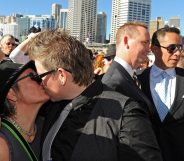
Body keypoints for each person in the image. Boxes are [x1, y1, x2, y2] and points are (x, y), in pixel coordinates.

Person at [27, 29, 162, 161]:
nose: (40, 83)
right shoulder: (53, 104)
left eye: (40, 76)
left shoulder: (127, 115)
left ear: (62, 75)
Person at [138, 26, 184, 161]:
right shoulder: (137, 80)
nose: (177, 53)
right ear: (154, 49)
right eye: (172, 48)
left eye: (180, 48)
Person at [102, 21, 156, 123]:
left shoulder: (129, 76)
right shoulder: (112, 83)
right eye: (145, 42)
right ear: (126, 42)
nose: (149, 49)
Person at [0, 59, 50, 161]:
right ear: (12, 94)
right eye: (33, 77)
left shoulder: (48, 124)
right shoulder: (2, 145)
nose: (42, 80)